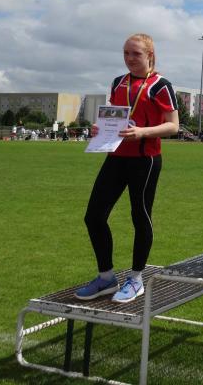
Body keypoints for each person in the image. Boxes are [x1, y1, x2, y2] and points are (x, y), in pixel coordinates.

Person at [75, 33, 179, 302]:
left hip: (145, 159)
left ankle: (136, 279)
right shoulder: (118, 82)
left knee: (140, 216)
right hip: (116, 156)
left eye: (136, 54)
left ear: (150, 55)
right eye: (126, 53)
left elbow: (173, 125)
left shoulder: (161, 85)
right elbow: (115, 117)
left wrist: (142, 132)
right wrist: (99, 128)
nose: (130, 58)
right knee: (94, 216)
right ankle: (106, 277)